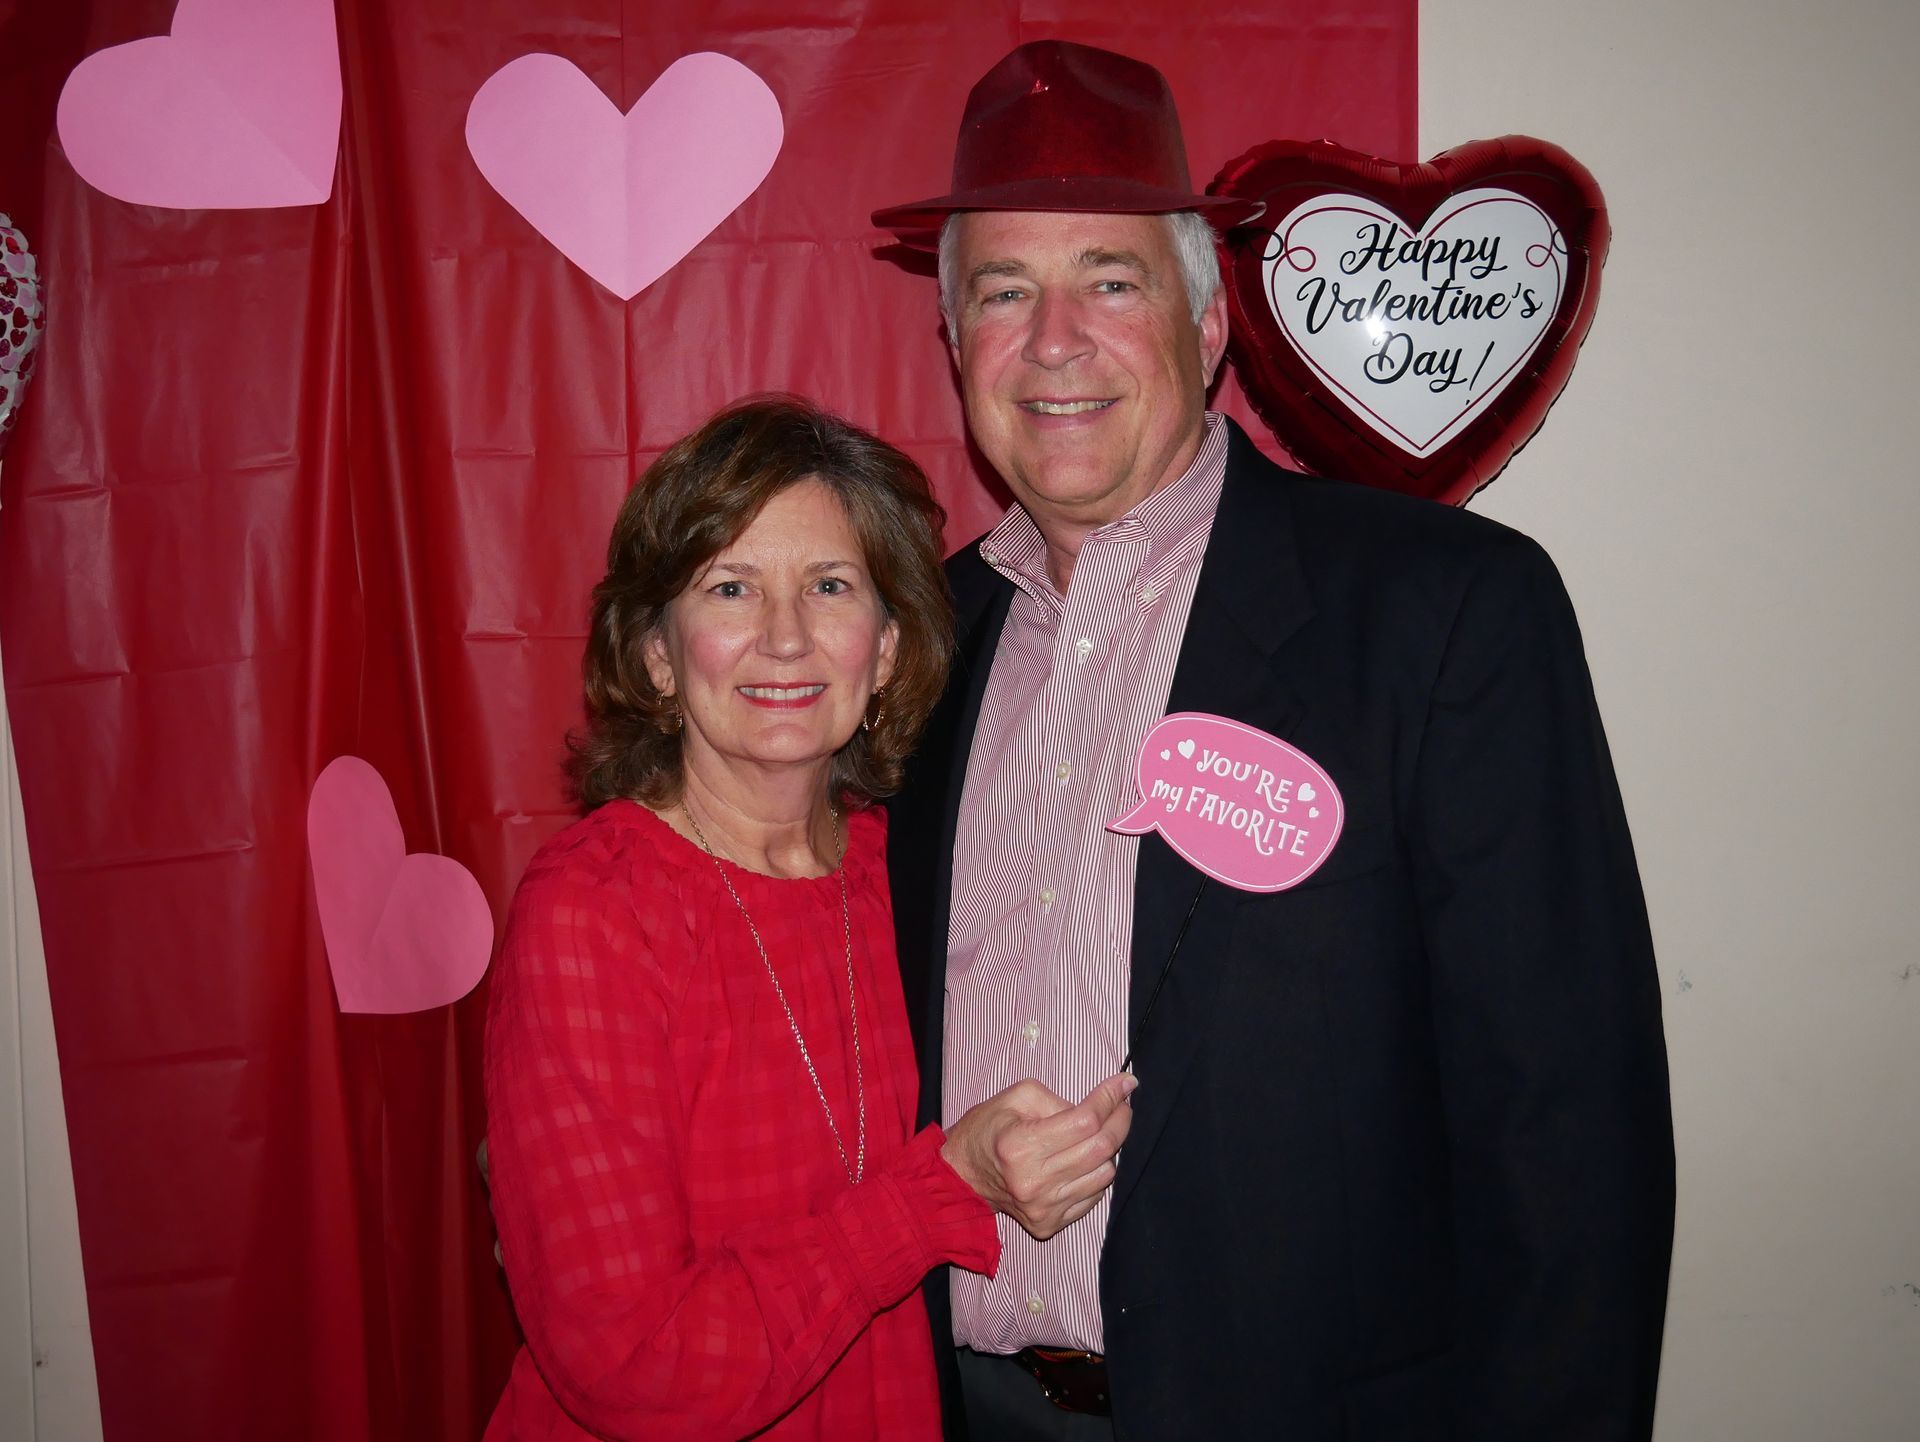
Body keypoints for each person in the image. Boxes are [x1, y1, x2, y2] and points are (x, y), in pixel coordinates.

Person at [872, 40, 1677, 1441]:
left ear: (1206, 330)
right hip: (961, 1408)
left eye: (1110, 281)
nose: (1053, 339)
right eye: (1003, 291)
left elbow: (1568, 1132)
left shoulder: (1443, 612)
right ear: (955, 347)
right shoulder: (916, 643)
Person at [481, 395, 1138, 1442]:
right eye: (730, 587)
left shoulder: (912, 869)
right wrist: (938, 1194)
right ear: (658, 654)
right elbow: (635, 1365)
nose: (785, 637)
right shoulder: (595, 910)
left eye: (830, 586)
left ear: (887, 649)